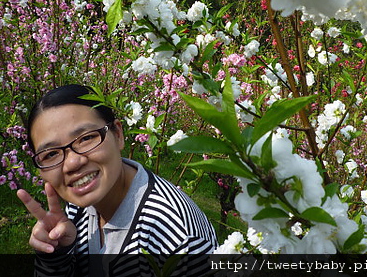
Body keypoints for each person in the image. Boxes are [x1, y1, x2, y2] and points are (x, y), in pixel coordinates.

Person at [17, 84, 217, 276]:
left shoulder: (175, 235)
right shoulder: (77, 206)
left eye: (86, 138)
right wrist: (57, 255)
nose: (71, 164)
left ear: (118, 134)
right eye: (51, 154)